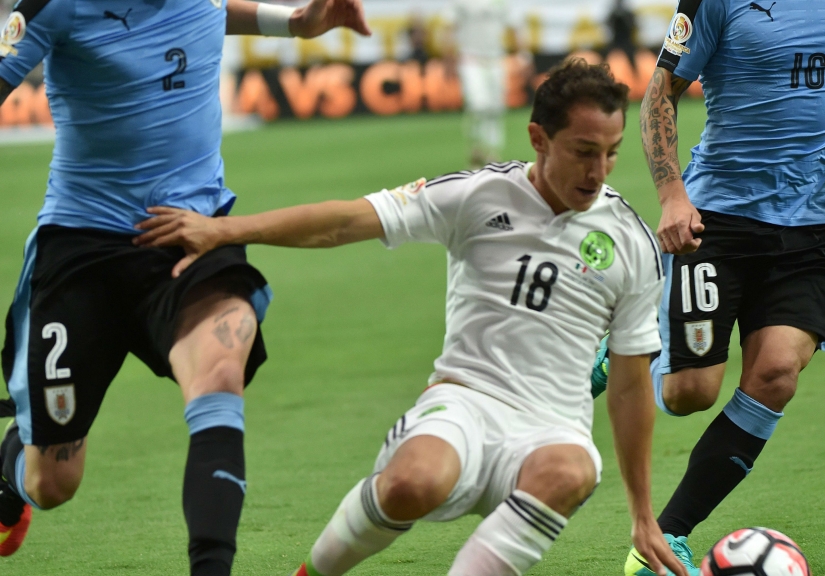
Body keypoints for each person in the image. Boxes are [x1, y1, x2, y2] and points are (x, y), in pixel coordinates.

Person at [133, 60, 688, 576]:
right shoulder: (477, 194)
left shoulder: (630, 243)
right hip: (465, 400)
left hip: (553, 428)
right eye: (584, 151)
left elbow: (630, 383)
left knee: (569, 471)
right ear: (539, 139)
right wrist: (224, 230)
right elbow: (346, 222)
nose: (599, 171)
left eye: (611, 153)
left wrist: (643, 512)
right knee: (411, 483)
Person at [0, 0, 370, 573]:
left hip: (192, 235)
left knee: (220, 369)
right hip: (81, 247)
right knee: (53, 483)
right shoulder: (54, 6)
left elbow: (213, 8)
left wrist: (294, 24)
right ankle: (10, 466)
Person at [592, 0, 825, 574]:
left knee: (776, 375)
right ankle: (629, 342)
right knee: (689, 395)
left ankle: (667, 534)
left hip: (808, 231)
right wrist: (673, 195)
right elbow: (659, 92)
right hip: (719, 222)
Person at [442, 0, 528, 168]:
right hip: (470, 58)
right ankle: (475, 144)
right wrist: (448, 56)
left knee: (496, 107)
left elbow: (515, 25)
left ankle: (492, 151)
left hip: (496, 58)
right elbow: (448, 26)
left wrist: (524, 55)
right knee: (478, 105)